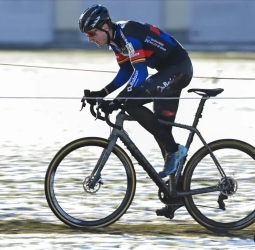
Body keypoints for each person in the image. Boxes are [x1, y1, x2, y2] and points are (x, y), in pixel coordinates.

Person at [79, 4, 193, 180]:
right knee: (162, 131)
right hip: (167, 72)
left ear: (105, 27)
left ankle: (175, 150)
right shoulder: (116, 41)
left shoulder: (128, 35)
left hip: (179, 69)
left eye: (91, 33)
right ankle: (175, 196)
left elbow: (140, 72)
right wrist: (102, 93)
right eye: (87, 35)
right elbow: (126, 71)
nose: (90, 39)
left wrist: (117, 101)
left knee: (131, 103)